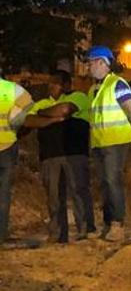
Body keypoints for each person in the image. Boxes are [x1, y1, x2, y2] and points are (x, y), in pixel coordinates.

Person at [21, 70, 96, 242]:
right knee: (54, 197)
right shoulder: (41, 103)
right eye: (50, 82)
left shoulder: (79, 97)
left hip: (75, 153)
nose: (51, 86)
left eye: (56, 83)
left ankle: (86, 231)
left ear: (67, 85)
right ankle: (57, 235)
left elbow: (64, 109)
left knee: (79, 191)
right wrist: (51, 119)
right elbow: (27, 121)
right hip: (49, 155)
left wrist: (42, 115)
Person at [85, 46, 131, 242]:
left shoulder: (118, 84)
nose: (88, 67)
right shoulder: (93, 89)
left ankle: (117, 224)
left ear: (102, 62)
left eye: (90, 62)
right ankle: (109, 224)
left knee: (112, 180)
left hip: (115, 141)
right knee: (105, 183)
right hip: (99, 142)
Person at [0, 74, 35, 242]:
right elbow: (28, 110)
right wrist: (15, 126)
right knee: (4, 193)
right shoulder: (12, 89)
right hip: (7, 146)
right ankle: (1, 233)